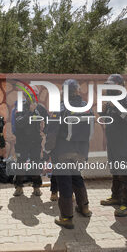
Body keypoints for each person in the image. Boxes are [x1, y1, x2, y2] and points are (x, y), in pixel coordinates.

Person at [43, 79, 93, 229]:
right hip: (80, 152)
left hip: (63, 152)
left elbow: (52, 134)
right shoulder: (86, 107)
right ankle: (84, 208)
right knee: (77, 177)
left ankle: (66, 217)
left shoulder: (61, 108)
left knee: (64, 182)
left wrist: (46, 152)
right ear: (77, 91)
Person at [99, 74, 127, 217]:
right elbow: (106, 118)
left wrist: (115, 106)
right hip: (114, 144)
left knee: (126, 173)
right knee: (115, 171)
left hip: (125, 145)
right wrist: (103, 110)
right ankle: (116, 196)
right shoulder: (112, 101)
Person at [12, 85, 49, 197]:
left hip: (35, 142)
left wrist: (45, 131)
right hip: (22, 142)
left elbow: (48, 121)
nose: (32, 98)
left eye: (34, 96)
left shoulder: (41, 108)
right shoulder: (20, 107)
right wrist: (30, 111)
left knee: (36, 165)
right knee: (20, 165)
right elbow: (19, 123)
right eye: (30, 96)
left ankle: (36, 187)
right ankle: (19, 187)